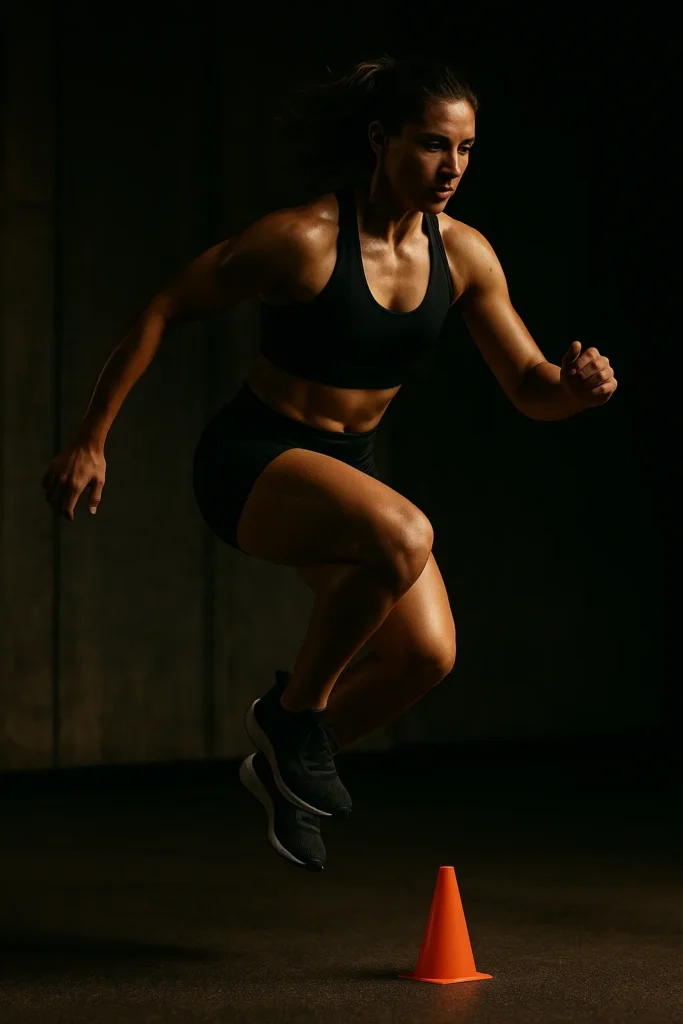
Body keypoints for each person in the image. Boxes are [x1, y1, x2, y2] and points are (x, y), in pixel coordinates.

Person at [41, 54, 618, 873]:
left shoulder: (464, 256)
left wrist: (575, 391)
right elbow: (165, 305)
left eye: (464, 149)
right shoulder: (303, 240)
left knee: (425, 656)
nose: (451, 167)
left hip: (346, 475)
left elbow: (530, 385)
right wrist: (91, 437)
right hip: (252, 463)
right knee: (404, 532)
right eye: (431, 144)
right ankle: (291, 716)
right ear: (380, 140)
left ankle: (283, 771)